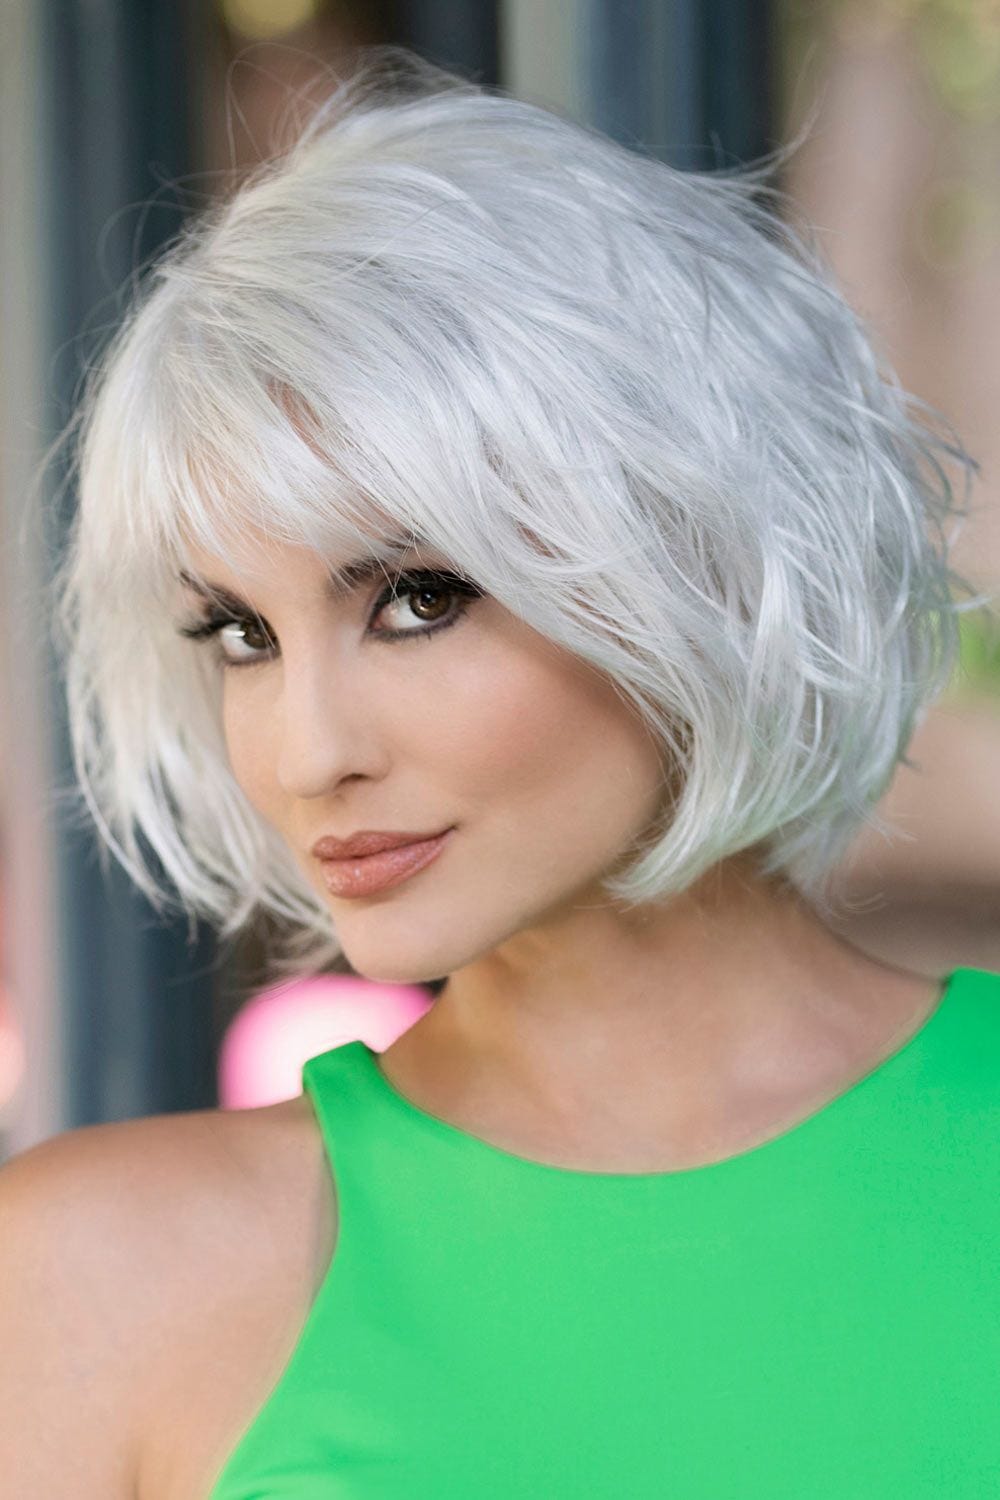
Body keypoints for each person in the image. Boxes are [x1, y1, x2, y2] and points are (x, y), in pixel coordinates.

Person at [2, 46, 998, 1500]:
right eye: (242, 635)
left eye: (418, 599)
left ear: (701, 556)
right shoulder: (93, 1279)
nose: (308, 753)